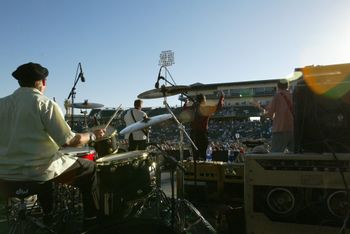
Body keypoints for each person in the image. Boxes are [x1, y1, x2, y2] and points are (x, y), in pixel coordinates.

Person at [0, 62, 105, 230]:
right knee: (90, 168)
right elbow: (70, 142)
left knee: (46, 165)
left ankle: (49, 215)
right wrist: (92, 135)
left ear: (19, 82)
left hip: (4, 176)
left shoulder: (1, 104)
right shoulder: (44, 104)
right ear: (43, 82)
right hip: (36, 173)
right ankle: (91, 220)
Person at [183, 92, 224, 160]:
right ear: (203, 100)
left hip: (193, 134)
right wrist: (222, 97)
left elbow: (185, 108)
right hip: (202, 134)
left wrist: (186, 102)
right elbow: (218, 106)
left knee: (195, 154)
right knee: (202, 154)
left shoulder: (193, 107)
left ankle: (195, 166)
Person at [261, 79, 294, 152]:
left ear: (278, 86)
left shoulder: (277, 96)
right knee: (295, 155)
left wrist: (263, 116)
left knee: (276, 154)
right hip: (293, 130)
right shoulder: (293, 95)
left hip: (280, 130)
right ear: (287, 86)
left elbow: (270, 114)